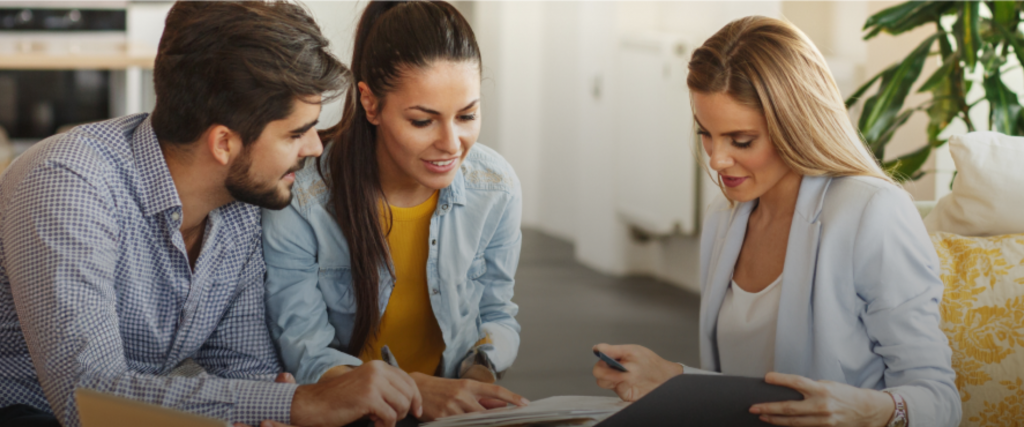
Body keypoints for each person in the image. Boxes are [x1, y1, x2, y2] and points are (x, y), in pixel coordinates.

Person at [0, 2, 423, 427]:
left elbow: (244, 370)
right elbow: (88, 400)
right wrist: (302, 403)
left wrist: (281, 408)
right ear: (223, 143)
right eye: (296, 132)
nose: (314, 148)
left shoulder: (240, 206)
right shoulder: (68, 183)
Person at [592, 16, 960, 427]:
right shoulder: (724, 219)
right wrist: (673, 379)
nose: (716, 159)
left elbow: (939, 401)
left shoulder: (872, 211)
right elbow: (753, 395)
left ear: (796, 126)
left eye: (741, 140)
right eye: (706, 132)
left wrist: (870, 410)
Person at [262, 0, 527, 421]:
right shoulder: (303, 199)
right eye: (423, 121)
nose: (452, 143)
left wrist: (478, 377)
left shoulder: (494, 187)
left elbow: (497, 312)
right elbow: (305, 351)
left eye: (467, 115)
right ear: (370, 103)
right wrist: (419, 391)